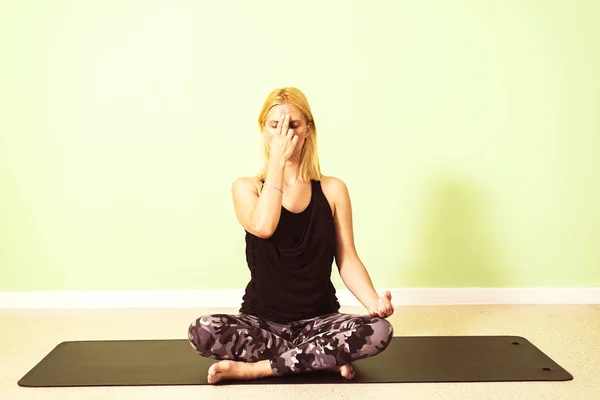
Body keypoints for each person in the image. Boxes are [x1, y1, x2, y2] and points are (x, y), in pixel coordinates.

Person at [188, 87, 394, 384]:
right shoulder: (246, 187)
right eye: (275, 126)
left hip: (319, 322)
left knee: (379, 331)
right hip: (261, 324)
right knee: (203, 329)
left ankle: (256, 368)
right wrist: (277, 164)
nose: (285, 135)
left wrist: (373, 302)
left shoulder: (333, 189)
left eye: (293, 126)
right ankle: (316, 359)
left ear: (308, 129)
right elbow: (263, 226)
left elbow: (347, 259)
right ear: (264, 130)